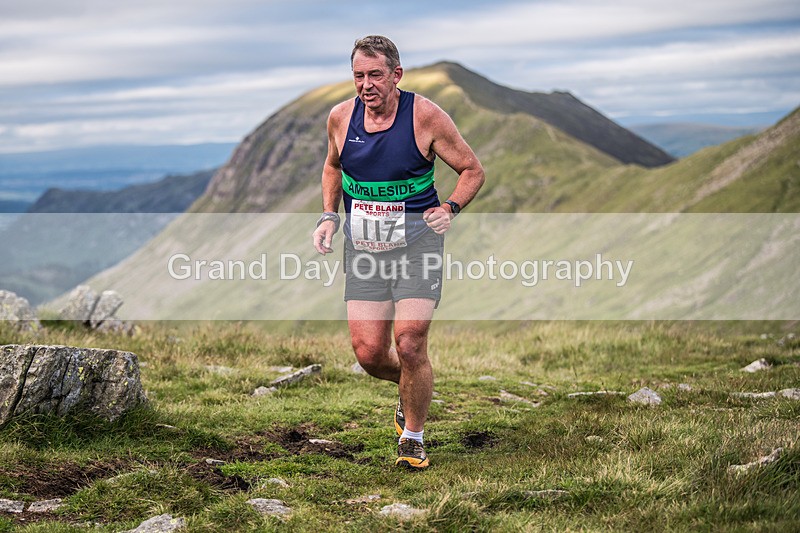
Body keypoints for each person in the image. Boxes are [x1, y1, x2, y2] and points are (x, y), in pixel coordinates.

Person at [312, 35, 484, 469]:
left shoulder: (424, 116)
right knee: (369, 354)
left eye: (375, 75)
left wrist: (450, 207)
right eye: (358, 76)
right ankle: (409, 388)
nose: (366, 85)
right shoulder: (340, 118)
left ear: (396, 75)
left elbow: (472, 170)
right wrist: (329, 216)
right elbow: (333, 167)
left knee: (409, 343)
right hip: (365, 248)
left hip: (417, 245)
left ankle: (413, 436)